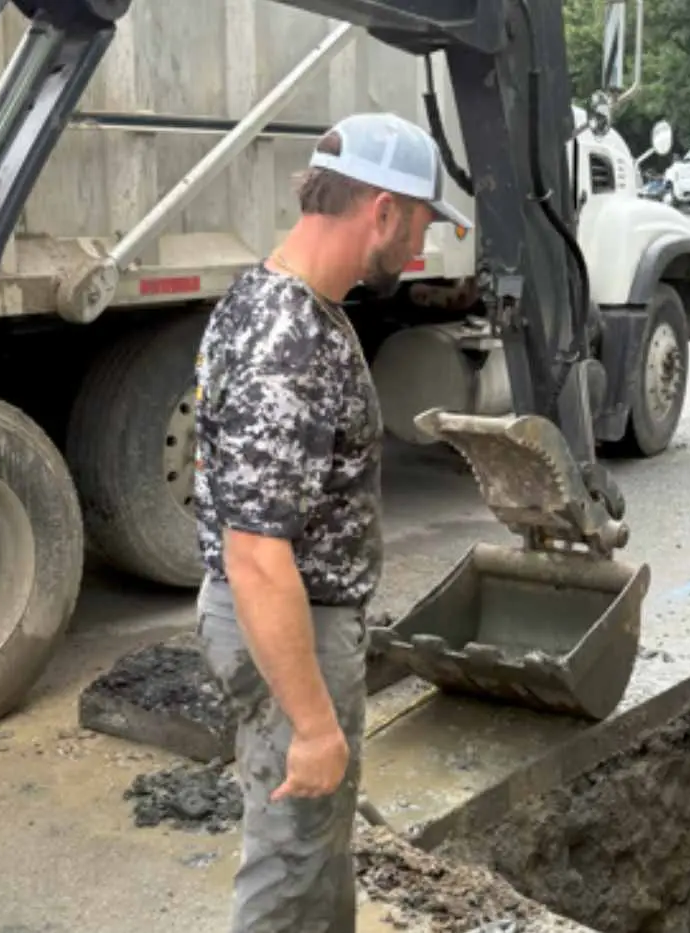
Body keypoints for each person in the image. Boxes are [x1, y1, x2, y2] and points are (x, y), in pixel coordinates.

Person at [191, 111, 471, 933]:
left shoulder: (274, 298)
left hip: (292, 621)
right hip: (291, 626)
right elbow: (255, 553)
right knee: (288, 865)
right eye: (419, 223)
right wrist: (313, 724)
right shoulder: (290, 339)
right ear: (381, 210)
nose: (420, 247)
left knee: (316, 847)